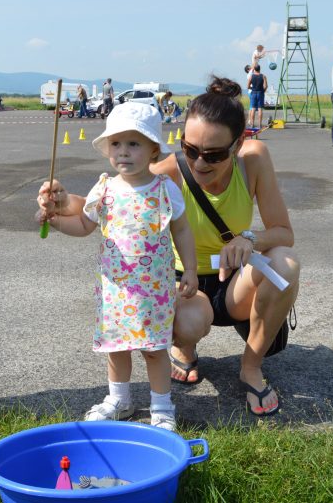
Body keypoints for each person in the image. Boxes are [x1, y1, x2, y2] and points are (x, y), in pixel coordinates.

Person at [38, 77, 300, 417]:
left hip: (235, 282)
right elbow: (113, 200)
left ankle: (250, 366)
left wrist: (248, 238)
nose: (200, 163)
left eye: (214, 154)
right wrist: (59, 203)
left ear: (238, 144)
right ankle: (185, 349)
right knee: (184, 322)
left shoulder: (254, 159)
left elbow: (283, 233)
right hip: (186, 287)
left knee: (286, 264)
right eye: (190, 150)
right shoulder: (168, 172)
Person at [36, 102, 198, 431]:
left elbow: (181, 229)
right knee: (117, 348)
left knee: (154, 350)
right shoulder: (105, 188)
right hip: (116, 291)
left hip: (154, 291)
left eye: (134, 144)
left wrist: (191, 270)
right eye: (116, 144)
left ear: (154, 149)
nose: (123, 152)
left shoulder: (165, 188)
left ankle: (162, 405)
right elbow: (83, 224)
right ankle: (119, 399)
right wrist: (55, 221)